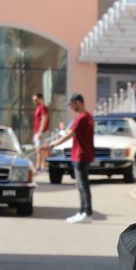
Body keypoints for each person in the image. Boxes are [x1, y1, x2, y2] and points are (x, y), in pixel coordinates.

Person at [45, 93, 95, 223]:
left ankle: (87, 212)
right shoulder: (89, 116)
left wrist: (53, 144)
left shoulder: (82, 118)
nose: (71, 107)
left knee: (83, 185)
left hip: (81, 155)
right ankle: (82, 211)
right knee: (81, 185)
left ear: (78, 102)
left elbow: (70, 135)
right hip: (84, 155)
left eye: (72, 104)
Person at [31, 92, 50, 172]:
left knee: (40, 149)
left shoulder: (43, 107)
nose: (34, 101)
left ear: (40, 99)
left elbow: (44, 118)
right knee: (38, 149)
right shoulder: (38, 107)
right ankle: (40, 165)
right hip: (37, 131)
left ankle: (39, 166)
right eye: (33, 100)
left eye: (36, 99)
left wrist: (41, 131)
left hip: (41, 132)